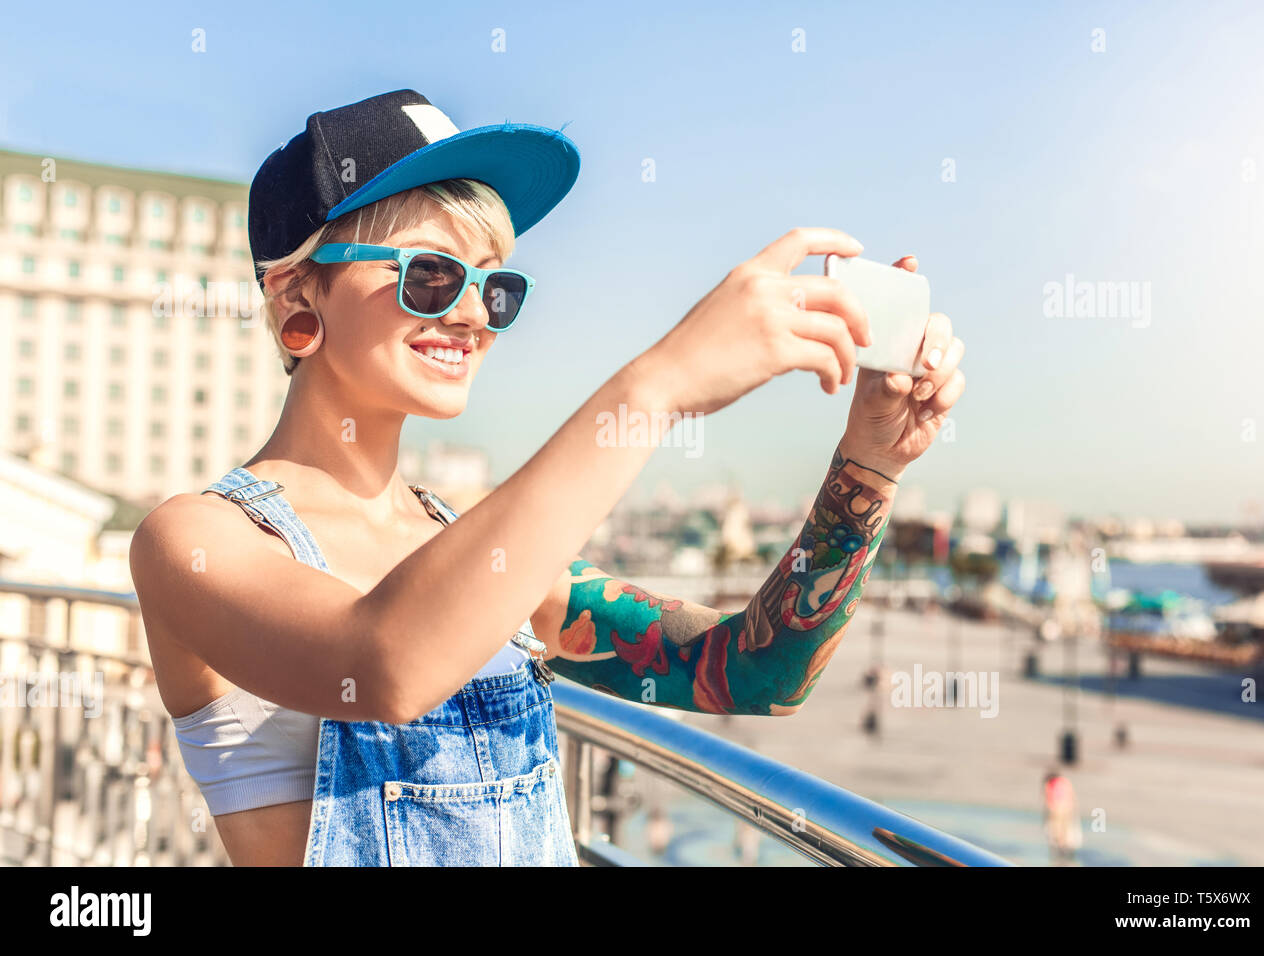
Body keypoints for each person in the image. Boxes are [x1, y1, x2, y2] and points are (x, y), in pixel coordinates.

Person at [129, 88, 967, 866]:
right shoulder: (193, 543)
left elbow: (757, 672)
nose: (470, 315)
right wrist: (658, 388)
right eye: (430, 275)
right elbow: (383, 663)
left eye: (496, 289)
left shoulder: (482, 557)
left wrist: (871, 463)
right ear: (294, 299)